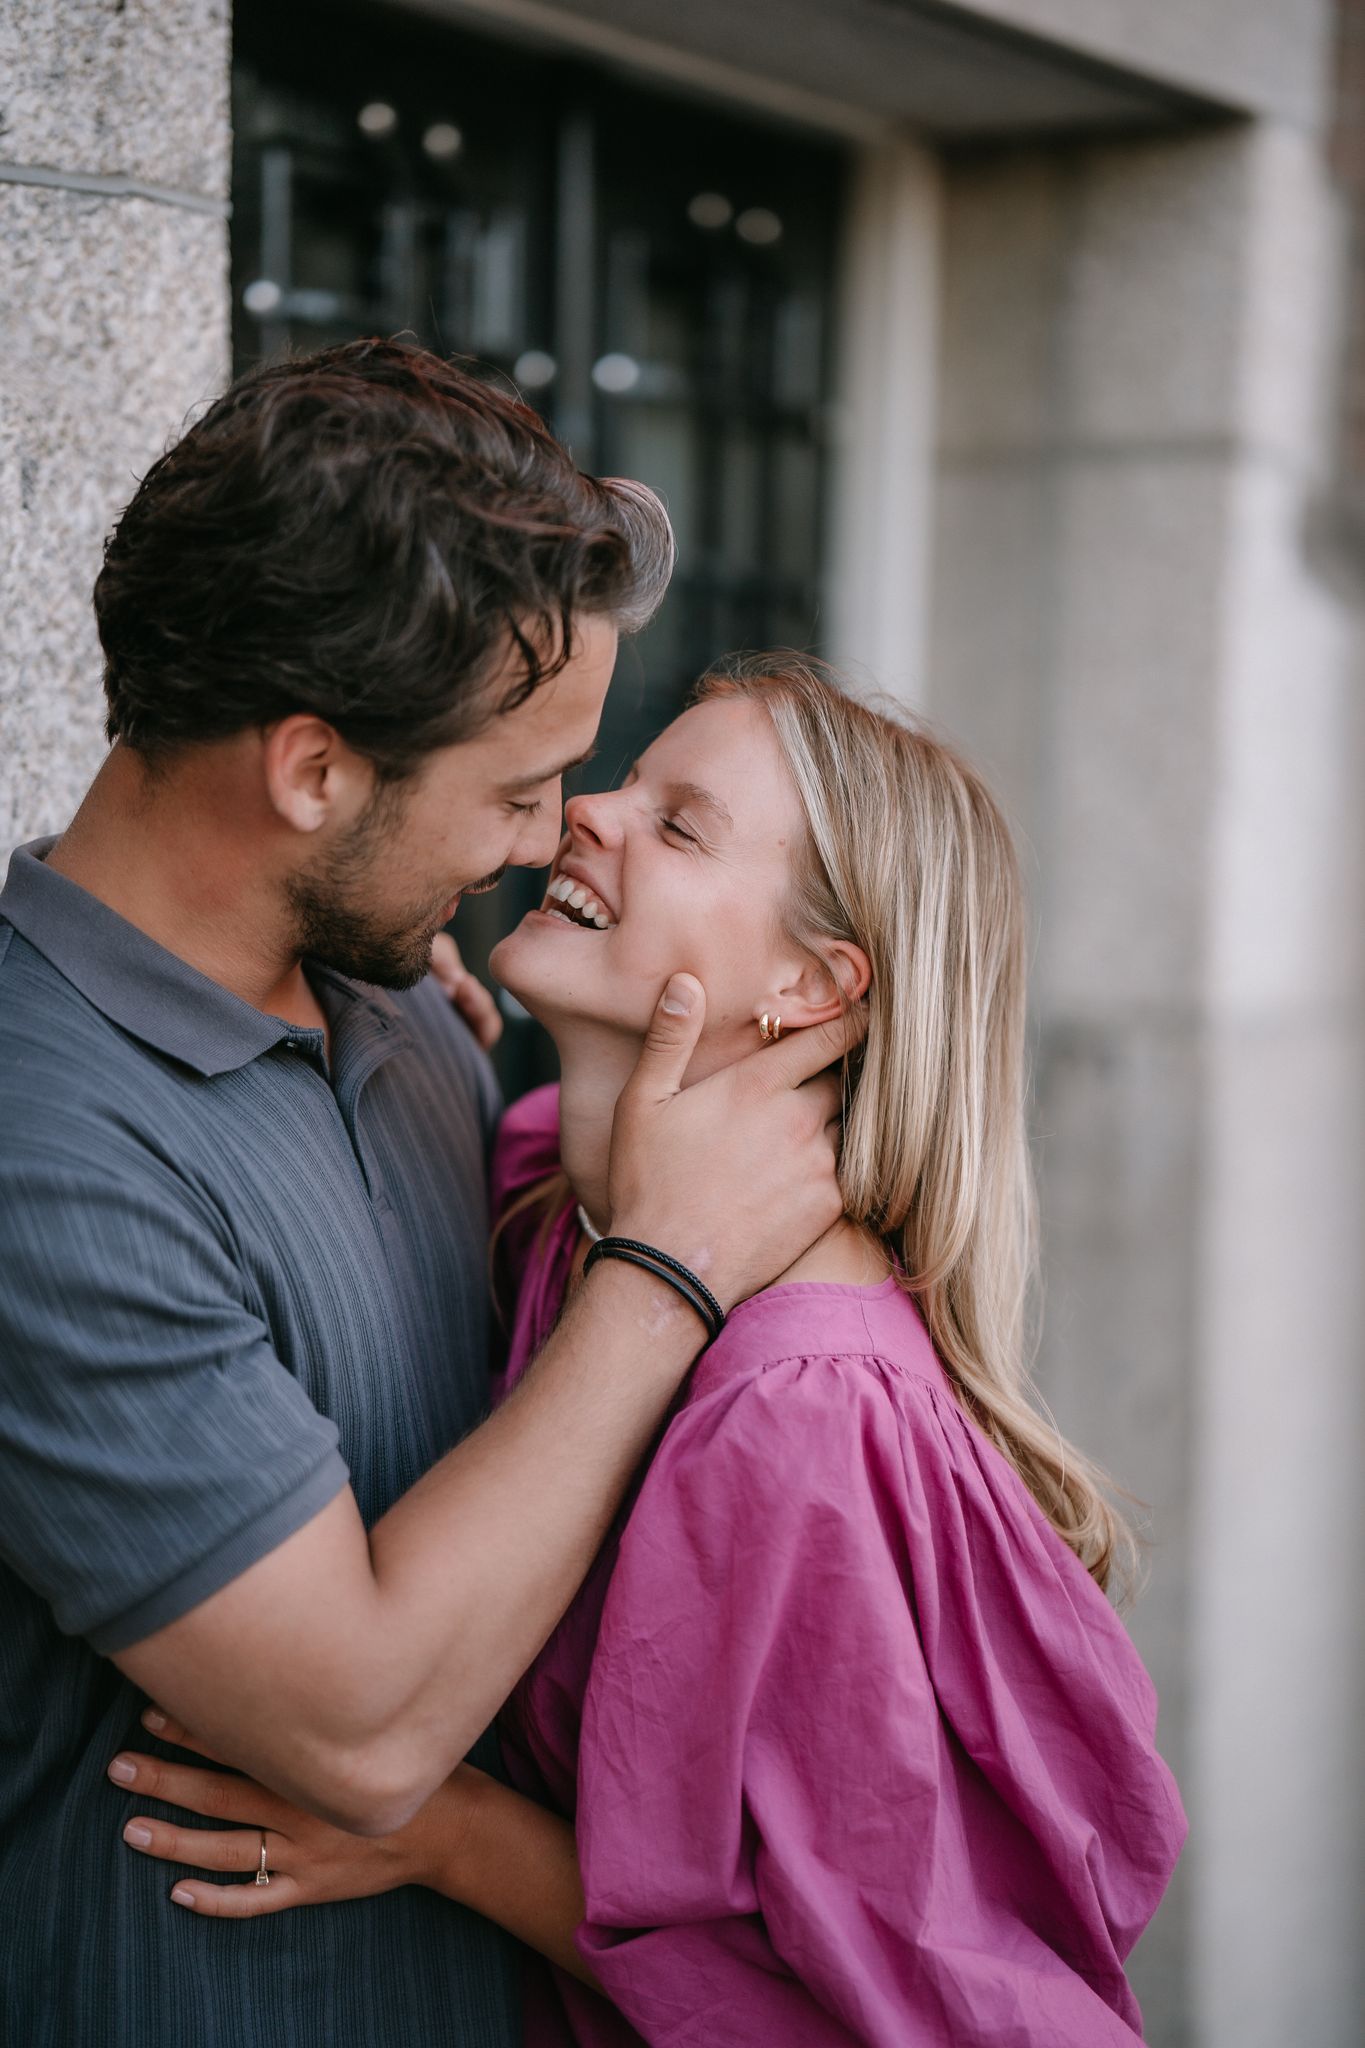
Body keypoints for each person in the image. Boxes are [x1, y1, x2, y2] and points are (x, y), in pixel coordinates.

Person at [112, 658, 1187, 2046]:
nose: (588, 811)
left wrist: (448, 1833)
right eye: (626, 781)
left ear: (812, 987)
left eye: (679, 826)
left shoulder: (802, 1413)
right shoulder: (553, 1211)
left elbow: (878, 2010)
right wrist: (393, 1017)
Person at [0, 348, 853, 2048]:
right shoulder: (48, 1152)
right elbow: (368, 1732)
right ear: (313, 772)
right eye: (517, 790)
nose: (545, 841)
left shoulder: (400, 1014)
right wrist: (666, 1271)